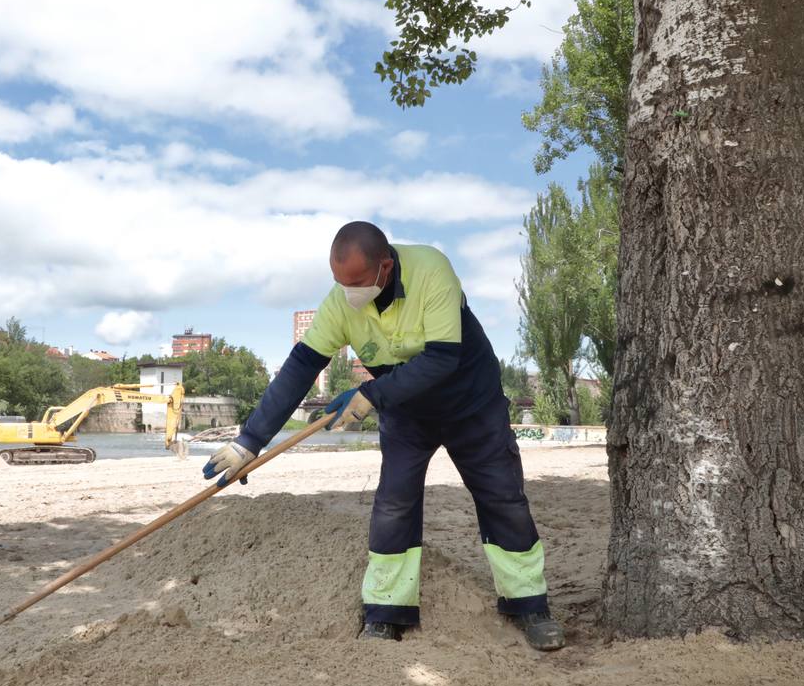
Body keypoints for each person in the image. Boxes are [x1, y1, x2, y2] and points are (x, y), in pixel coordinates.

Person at [200, 221, 564, 650]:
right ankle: (387, 610)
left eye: (355, 283)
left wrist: (370, 394)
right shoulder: (341, 302)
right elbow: (300, 368)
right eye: (340, 283)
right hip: (406, 411)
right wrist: (249, 441)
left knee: (501, 496)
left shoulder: (432, 270)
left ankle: (528, 604)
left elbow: (443, 360)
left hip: (470, 402)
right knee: (394, 503)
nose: (347, 293)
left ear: (385, 267)